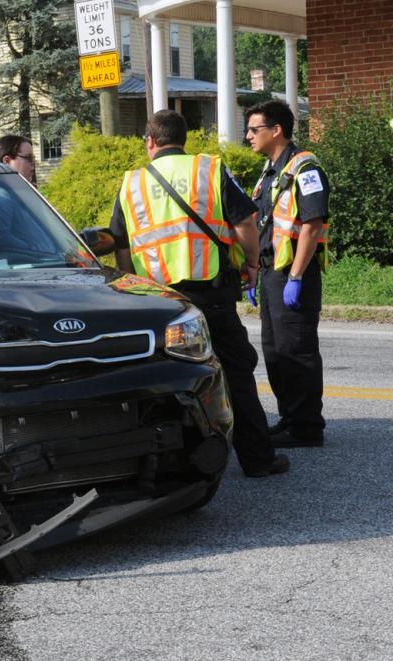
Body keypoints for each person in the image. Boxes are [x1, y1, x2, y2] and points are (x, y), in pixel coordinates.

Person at [109, 110, 289, 479]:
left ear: (150, 142)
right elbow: (245, 222)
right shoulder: (207, 170)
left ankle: (172, 467)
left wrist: (132, 292)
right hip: (211, 292)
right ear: (184, 140)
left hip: (159, 303)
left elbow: (121, 245)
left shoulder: (132, 183)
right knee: (235, 372)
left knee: (165, 379)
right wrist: (252, 263)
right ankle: (257, 459)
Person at [244, 99, 329, 448]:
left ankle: (307, 427)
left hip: (294, 277)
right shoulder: (270, 171)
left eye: (254, 129)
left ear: (276, 130)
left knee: (297, 351)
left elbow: (313, 224)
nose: (248, 135)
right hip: (271, 275)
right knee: (276, 353)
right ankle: (290, 417)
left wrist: (295, 277)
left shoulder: (305, 169)